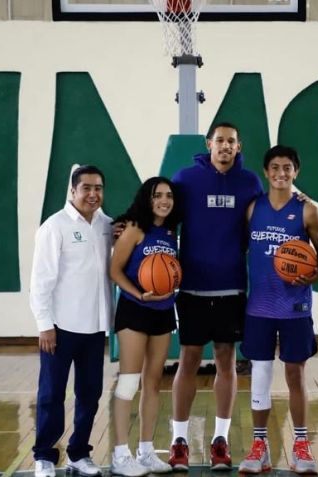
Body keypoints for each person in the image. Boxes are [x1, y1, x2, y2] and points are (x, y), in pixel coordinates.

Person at [169, 123, 263, 470]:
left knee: (226, 360)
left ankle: (219, 440)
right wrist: (130, 226)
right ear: (209, 144)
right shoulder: (185, 179)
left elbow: (265, 218)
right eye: (220, 140)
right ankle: (178, 440)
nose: (225, 146)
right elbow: (163, 216)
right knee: (189, 360)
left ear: (239, 147)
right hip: (192, 286)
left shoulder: (250, 182)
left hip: (231, 286)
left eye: (232, 141)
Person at [237, 145, 318, 475]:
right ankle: (259, 446)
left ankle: (301, 446)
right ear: (266, 172)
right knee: (259, 375)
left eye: (287, 167)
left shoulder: (307, 211)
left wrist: (309, 277)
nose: (281, 173)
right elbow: (242, 250)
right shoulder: (252, 209)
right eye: (275, 167)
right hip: (259, 306)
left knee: (295, 374)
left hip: (295, 306)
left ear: (296, 172)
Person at [29, 165, 113, 477]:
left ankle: (79, 454)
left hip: (94, 328)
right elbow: (40, 280)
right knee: (51, 393)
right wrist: (44, 323)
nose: (93, 194)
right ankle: (45, 457)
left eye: (99, 188)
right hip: (60, 328)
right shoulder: (55, 226)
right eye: (87, 188)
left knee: (90, 394)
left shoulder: (107, 225)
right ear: (73, 191)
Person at [107, 177, 181, 476]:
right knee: (128, 382)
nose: (164, 200)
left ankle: (146, 451)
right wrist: (139, 293)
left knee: (153, 383)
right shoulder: (134, 229)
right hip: (134, 310)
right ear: (146, 199)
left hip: (163, 311)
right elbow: (114, 270)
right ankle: (120, 454)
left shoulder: (170, 232)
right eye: (157, 195)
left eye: (168, 195)